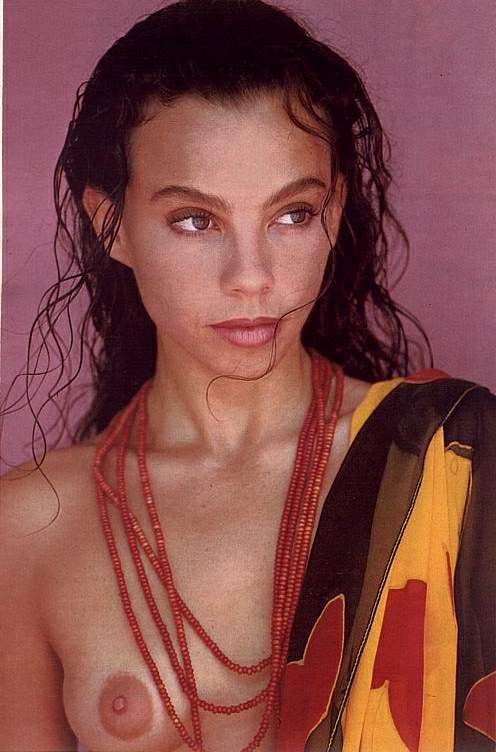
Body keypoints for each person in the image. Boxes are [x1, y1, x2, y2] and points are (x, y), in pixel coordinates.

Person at [0, 1, 494, 751]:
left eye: (292, 214)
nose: (251, 276)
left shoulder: (454, 466)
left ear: (335, 210)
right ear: (112, 225)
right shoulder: (31, 527)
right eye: (196, 220)